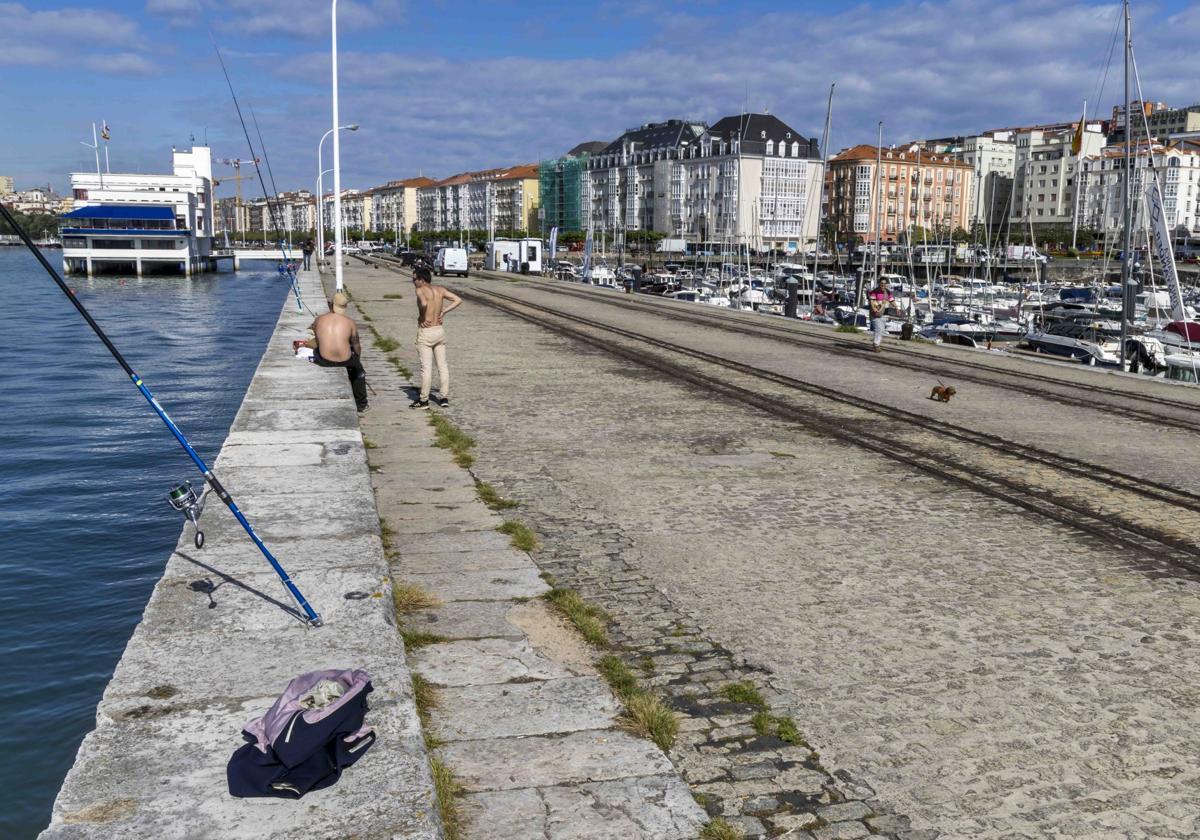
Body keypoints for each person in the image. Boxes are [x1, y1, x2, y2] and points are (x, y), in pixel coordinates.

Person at [410, 266, 461, 409]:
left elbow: (424, 303)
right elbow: (457, 300)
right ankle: (444, 397)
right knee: (442, 366)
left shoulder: (420, 290)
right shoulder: (440, 290)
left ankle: (424, 400)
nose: (413, 282)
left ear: (421, 280)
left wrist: (421, 316)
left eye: (414, 279)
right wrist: (444, 311)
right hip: (439, 330)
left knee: (426, 368)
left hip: (426, 331)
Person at [310, 291, 368, 412]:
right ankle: (361, 404)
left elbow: (317, 340)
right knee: (359, 372)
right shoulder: (350, 322)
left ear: (331, 304)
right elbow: (356, 344)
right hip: (345, 361)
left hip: (325, 360)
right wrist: (357, 359)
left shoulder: (319, 319)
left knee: (316, 351)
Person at [865, 276, 895, 352]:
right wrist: (875, 309)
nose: (883, 285)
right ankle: (876, 345)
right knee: (878, 329)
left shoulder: (888, 292)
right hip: (875, 313)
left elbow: (892, 300)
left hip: (884, 313)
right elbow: (872, 301)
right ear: (879, 284)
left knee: (881, 330)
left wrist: (897, 308)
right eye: (881, 283)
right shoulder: (874, 292)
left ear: (887, 284)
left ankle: (876, 344)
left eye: (885, 284)